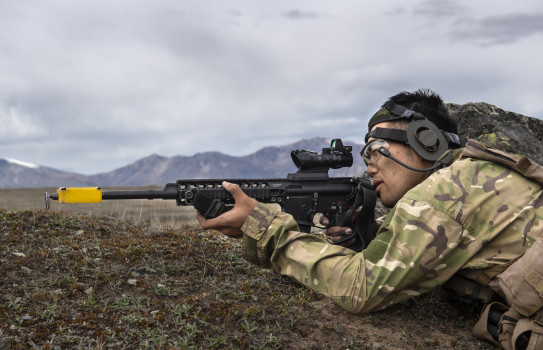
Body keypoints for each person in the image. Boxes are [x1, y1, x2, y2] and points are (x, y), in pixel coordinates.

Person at [197, 89, 543, 349]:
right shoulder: (473, 179)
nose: (367, 165)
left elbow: (361, 289)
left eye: (374, 149)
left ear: (425, 142)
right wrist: (373, 236)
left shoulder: (448, 189)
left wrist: (262, 225)